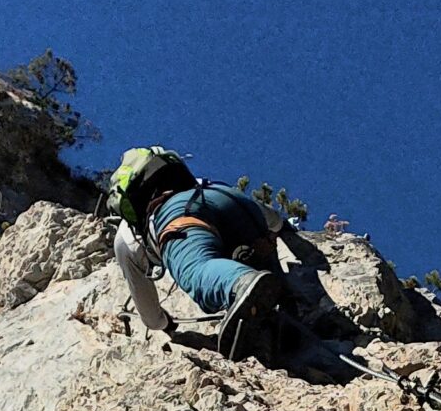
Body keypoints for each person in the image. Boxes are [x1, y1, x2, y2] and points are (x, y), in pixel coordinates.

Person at [107, 146, 298, 364]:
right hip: (234, 203)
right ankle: (283, 322)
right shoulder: (198, 183)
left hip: (181, 215)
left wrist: (164, 323)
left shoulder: (126, 236)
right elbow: (275, 221)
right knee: (264, 283)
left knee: (195, 269)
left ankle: (241, 283)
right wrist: (280, 228)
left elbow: (150, 316)